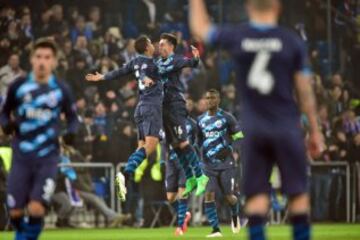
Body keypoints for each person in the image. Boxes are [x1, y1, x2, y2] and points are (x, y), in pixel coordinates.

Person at [189, 1, 323, 240]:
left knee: (257, 198)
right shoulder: (291, 40)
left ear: (249, 7)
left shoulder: (239, 36)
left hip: (254, 127)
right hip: (286, 126)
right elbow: (305, 90)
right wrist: (314, 130)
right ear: (278, 7)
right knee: (298, 196)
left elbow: (201, 28)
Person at [0, 38, 79, 240]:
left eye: (47, 57)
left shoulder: (61, 89)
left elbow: (72, 118)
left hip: (47, 157)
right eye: (38, 57)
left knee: (35, 208)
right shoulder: (18, 86)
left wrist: (71, 132)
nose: (42, 61)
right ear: (31, 60)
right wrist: (6, 124)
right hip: (21, 156)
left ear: (54, 62)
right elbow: (4, 111)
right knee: (16, 211)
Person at [85, 35, 163, 201]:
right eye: (150, 42)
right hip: (151, 107)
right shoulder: (152, 63)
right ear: (147, 47)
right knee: (150, 147)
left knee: (141, 147)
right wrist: (145, 78)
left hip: (140, 107)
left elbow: (118, 72)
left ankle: (125, 175)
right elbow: (144, 73)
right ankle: (125, 174)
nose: (153, 45)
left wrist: (102, 77)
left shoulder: (134, 62)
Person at [157, 33, 209, 197]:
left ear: (171, 47)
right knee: (177, 145)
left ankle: (200, 176)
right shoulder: (158, 63)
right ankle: (191, 178)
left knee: (184, 143)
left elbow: (191, 63)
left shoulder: (176, 60)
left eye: (163, 44)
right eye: (159, 44)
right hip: (165, 109)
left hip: (176, 106)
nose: (160, 47)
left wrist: (195, 58)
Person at [197, 89, 244, 238]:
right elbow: (198, 141)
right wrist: (199, 157)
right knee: (209, 195)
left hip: (226, 164)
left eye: (213, 98)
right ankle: (215, 229)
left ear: (218, 100)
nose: (210, 100)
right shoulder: (200, 120)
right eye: (208, 98)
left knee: (229, 196)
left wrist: (230, 148)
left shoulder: (227, 118)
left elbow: (239, 137)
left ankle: (235, 215)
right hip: (208, 165)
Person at [165, 114, 198, 236]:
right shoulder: (168, 122)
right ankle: (185, 214)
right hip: (171, 161)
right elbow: (164, 142)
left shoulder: (193, 124)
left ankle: (180, 227)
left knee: (182, 193)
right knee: (170, 197)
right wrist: (164, 159)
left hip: (185, 162)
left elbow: (197, 142)